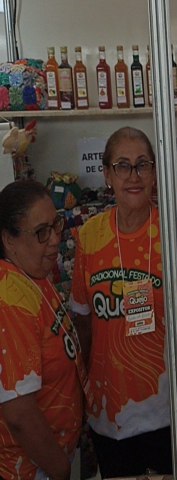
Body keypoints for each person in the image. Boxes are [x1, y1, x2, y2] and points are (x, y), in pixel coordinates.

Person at [70, 126, 177, 477]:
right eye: (122, 166)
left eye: (142, 165)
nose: (133, 176)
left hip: (164, 414)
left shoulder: (174, 235)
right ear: (107, 174)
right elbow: (83, 325)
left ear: (155, 173)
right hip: (107, 416)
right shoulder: (89, 237)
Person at [0, 180, 84, 480]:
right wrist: (60, 469)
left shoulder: (34, 273)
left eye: (55, 225)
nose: (55, 239)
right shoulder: (10, 300)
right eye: (41, 232)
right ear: (9, 239)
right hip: (33, 469)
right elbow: (19, 412)